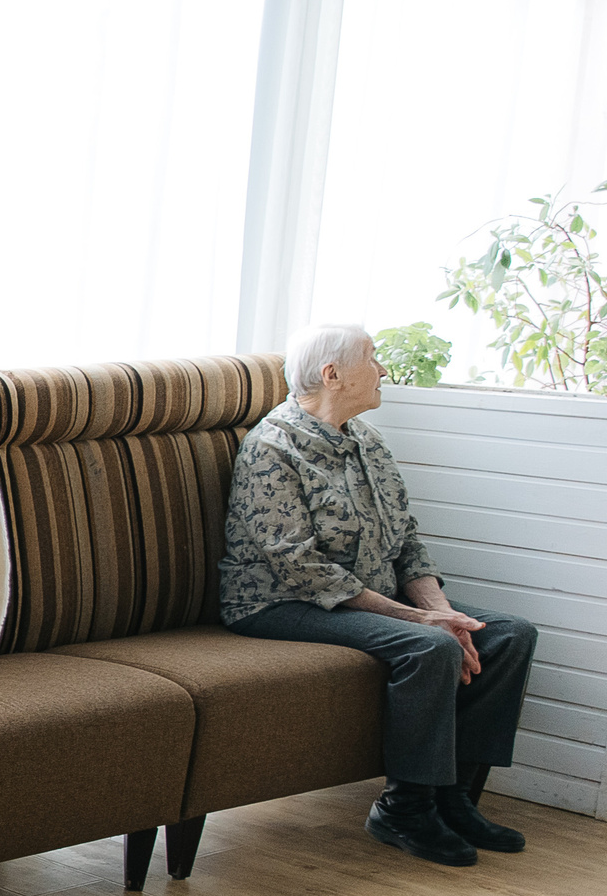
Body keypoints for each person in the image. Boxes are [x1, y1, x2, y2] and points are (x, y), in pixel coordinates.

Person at [222, 323, 537, 866]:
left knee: (508, 636)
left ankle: (453, 799)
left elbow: (405, 541)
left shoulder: (365, 440)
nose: (384, 369)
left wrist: (442, 612)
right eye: (374, 358)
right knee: (429, 646)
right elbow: (303, 569)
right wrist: (418, 622)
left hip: (362, 598)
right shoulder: (271, 448)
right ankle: (404, 809)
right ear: (332, 374)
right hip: (278, 604)